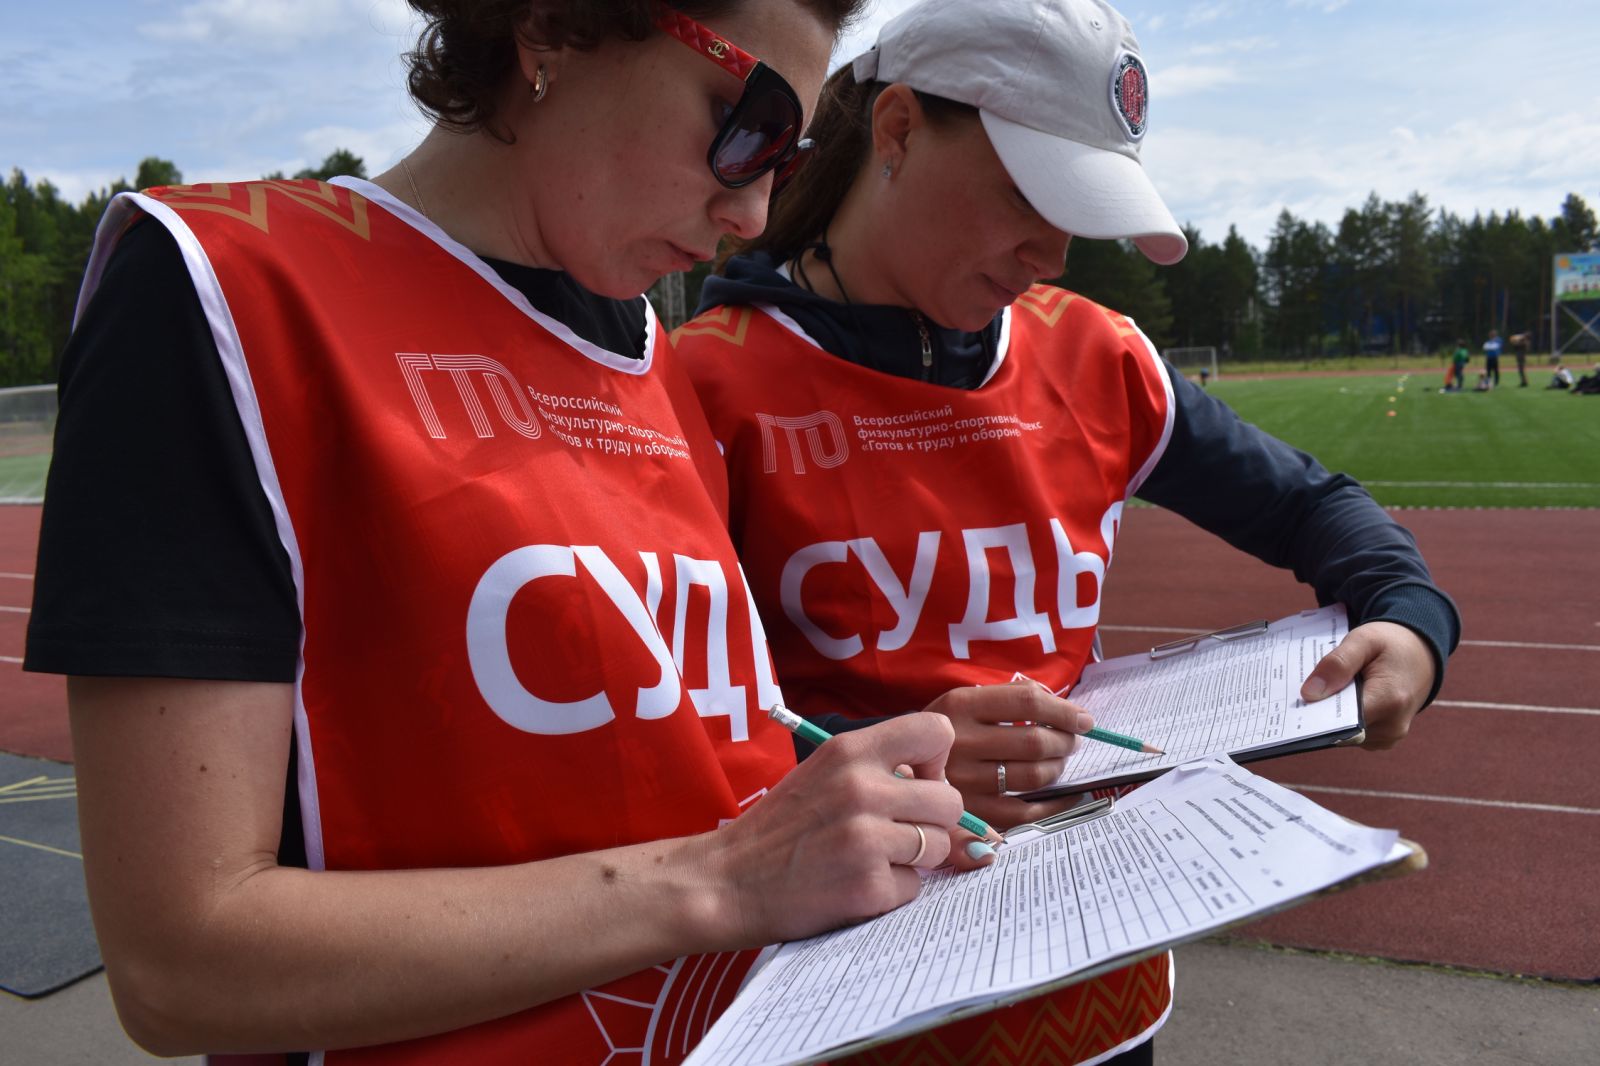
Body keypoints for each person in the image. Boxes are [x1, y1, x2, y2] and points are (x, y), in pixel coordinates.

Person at [21, 2, 1032, 1062]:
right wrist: (725, 881)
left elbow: (668, 753)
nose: (752, 209)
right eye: (747, 126)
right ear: (552, 24)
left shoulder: (648, 347)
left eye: (793, 156)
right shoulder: (224, 290)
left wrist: (864, 778)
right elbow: (181, 962)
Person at [672, 1, 1461, 1063]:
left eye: (1077, 215)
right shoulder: (704, 382)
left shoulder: (1096, 356)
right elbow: (660, 721)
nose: (1049, 253)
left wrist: (1409, 618)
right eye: (1027, 197)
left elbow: (1315, 506)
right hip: (847, 1000)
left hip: (1098, 989)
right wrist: (887, 760)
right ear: (897, 129)